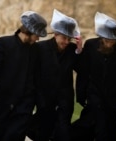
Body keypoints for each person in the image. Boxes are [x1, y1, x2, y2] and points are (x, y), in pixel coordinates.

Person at [0, 11, 47, 141]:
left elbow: (38, 76)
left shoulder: (35, 50)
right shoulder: (4, 43)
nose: (38, 39)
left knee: (17, 135)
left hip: (25, 104)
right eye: (37, 35)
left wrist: (38, 99)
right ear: (29, 31)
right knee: (2, 135)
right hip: (4, 101)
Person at [75, 12, 116, 141]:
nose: (110, 44)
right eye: (107, 41)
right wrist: (81, 94)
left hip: (114, 97)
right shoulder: (91, 45)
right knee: (96, 127)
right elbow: (84, 72)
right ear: (102, 37)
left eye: (113, 41)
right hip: (94, 94)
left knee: (111, 127)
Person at [29, 9, 82, 141]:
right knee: (43, 131)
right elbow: (32, 72)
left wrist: (79, 51)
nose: (66, 42)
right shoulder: (40, 48)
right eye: (64, 38)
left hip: (65, 98)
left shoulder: (72, 50)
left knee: (63, 131)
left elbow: (82, 69)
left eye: (69, 39)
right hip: (44, 97)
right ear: (56, 34)